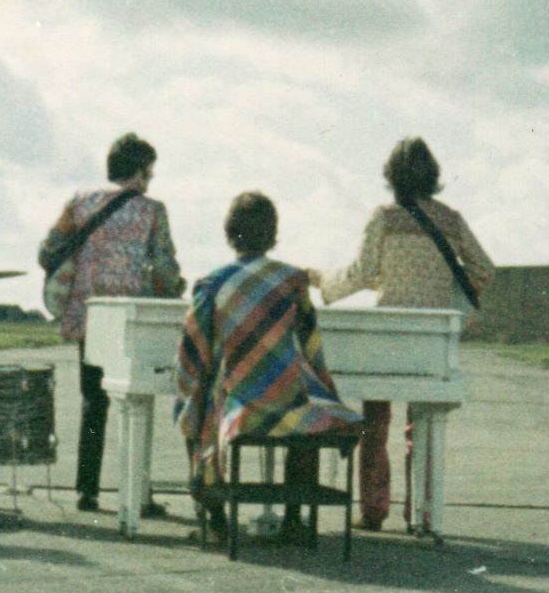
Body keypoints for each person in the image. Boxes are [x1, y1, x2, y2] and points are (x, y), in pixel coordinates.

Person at [310, 137, 494, 531]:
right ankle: (422, 513)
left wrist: (322, 282)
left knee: (375, 423)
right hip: (432, 338)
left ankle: (374, 509)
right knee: (423, 421)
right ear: (434, 177)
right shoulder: (451, 220)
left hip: (387, 335)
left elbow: (359, 275)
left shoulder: (384, 218)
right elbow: (484, 268)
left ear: (391, 176)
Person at [176, 192, 363, 542]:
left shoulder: (211, 284)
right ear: (272, 233)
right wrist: (324, 391)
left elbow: (191, 357)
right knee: (310, 406)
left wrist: (192, 391)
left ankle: (215, 519)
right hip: (287, 406)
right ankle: (294, 520)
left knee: (195, 409)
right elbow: (311, 351)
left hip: (237, 409)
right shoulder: (292, 281)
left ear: (229, 232)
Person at [38, 132, 185, 513]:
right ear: (138, 172)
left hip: (89, 313)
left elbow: (47, 250)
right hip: (133, 317)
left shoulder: (79, 202)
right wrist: (175, 289)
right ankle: (138, 493)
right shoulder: (152, 211)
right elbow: (166, 269)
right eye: (148, 174)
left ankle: (87, 490)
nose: (149, 182)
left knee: (93, 401)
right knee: (137, 402)